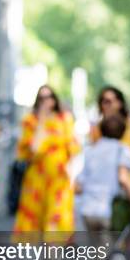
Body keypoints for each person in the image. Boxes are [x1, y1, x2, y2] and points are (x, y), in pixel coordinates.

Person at [13, 85, 80, 235]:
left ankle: (52, 254)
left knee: (57, 216)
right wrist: (42, 121)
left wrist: (73, 177)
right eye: (42, 98)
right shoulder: (30, 121)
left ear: (55, 99)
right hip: (37, 179)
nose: (46, 101)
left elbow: (73, 150)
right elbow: (34, 150)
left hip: (59, 178)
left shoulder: (65, 119)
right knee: (35, 222)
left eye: (49, 97)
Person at [76, 115, 130, 231]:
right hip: (108, 210)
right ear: (123, 132)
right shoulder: (122, 150)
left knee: (95, 248)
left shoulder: (90, 151)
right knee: (109, 247)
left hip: (87, 210)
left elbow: (79, 184)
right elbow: (124, 179)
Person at [90, 86, 130, 204]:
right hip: (103, 187)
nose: (109, 105)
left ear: (120, 103)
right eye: (105, 101)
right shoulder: (96, 128)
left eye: (112, 101)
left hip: (127, 184)